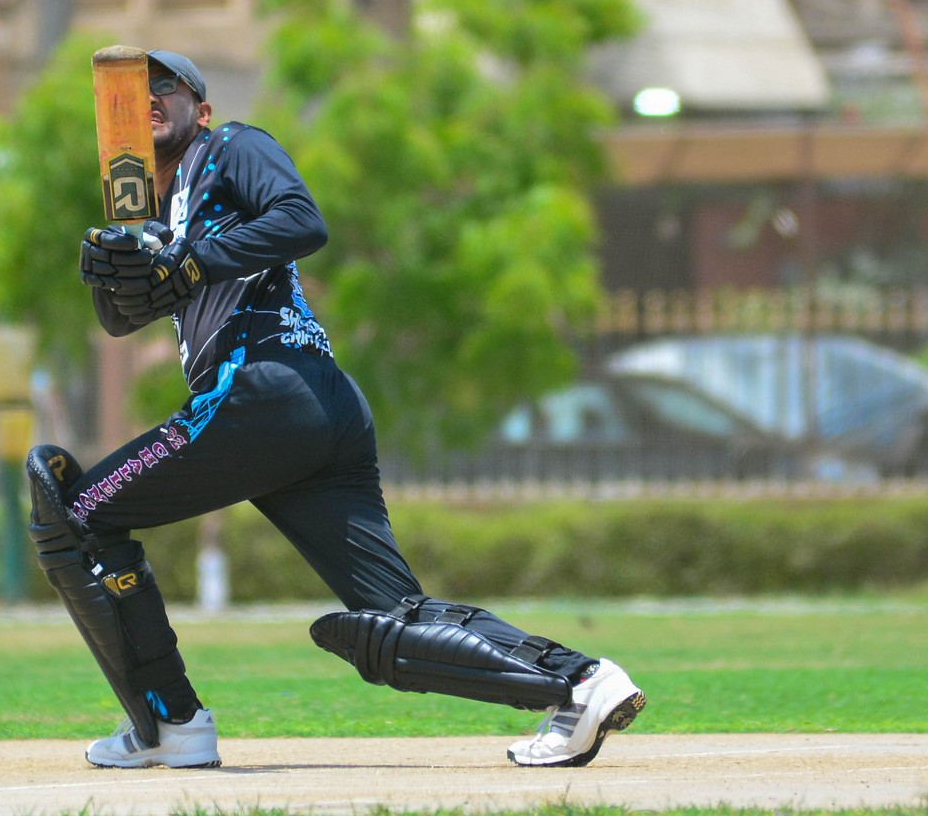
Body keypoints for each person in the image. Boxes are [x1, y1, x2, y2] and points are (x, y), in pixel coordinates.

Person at [32, 49, 645, 770]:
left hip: (263, 388)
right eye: (135, 93)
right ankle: (581, 682)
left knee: (78, 515)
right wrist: (114, 271)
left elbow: (302, 220)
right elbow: (123, 318)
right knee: (396, 619)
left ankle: (169, 722)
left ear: (202, 108)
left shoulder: (231, 148)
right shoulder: (153, 213)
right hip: (314, 412)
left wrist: (191, 261)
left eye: (164, 85)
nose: (148, 98)